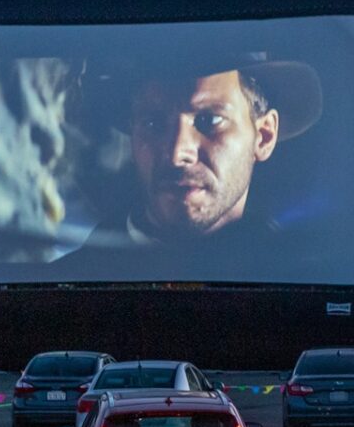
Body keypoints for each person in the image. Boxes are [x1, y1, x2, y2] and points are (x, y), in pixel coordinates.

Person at [54, 48, 333, 282]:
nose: (177, 154)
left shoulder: (307, 281)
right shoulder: (64, 285)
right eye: (153, 123)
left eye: (209, 120)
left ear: (263, 136)